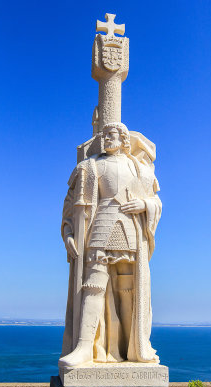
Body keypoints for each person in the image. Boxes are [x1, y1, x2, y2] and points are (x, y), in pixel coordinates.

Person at [59, 122, 162, 368]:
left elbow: (155, 200)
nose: (107, 138)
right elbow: (69, 205)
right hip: (99, 227)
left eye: (112, 134)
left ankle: (131, 348)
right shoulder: (89, 167)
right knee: (93, 286)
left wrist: (145, 206)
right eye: (104, 135)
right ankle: (85, 347)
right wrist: (69, 234)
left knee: (129, 290)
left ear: (124, 139)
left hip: (130, 230)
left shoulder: (140, 169)